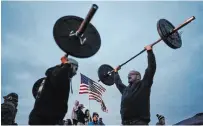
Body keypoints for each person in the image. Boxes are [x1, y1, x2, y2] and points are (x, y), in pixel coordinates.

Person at [114, 45, 156, 125]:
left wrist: (149, 52)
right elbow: (118, 83)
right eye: (128, 75)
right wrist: (115, 72)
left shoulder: (144, 85)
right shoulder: (125, 90)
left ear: (138, 77)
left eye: (131, 74)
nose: (129, 76)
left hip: (139, 122)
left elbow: (151, 68)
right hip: (125, 123)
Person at [29, 57, 79, 125]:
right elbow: (59, 78)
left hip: (50, 119)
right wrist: (66, 66)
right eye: (75, 69)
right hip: (43, 119)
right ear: (70, 65)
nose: (76, 73)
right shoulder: (57, 72)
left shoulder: (58, 75)